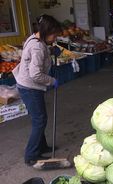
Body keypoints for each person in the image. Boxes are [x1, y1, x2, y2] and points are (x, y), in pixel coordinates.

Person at [12, 14, 61, 166]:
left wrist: (51, 52)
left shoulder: (35, 39)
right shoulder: (37, 46)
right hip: (30, 87)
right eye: (54, 35)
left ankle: (41, 147)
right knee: (39, 120)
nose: (55, 38)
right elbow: (36, 74)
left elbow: (35, 57)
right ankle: (31, 155)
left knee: (39, 118)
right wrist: (52, 81)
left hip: (26, 85)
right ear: (46, 32)